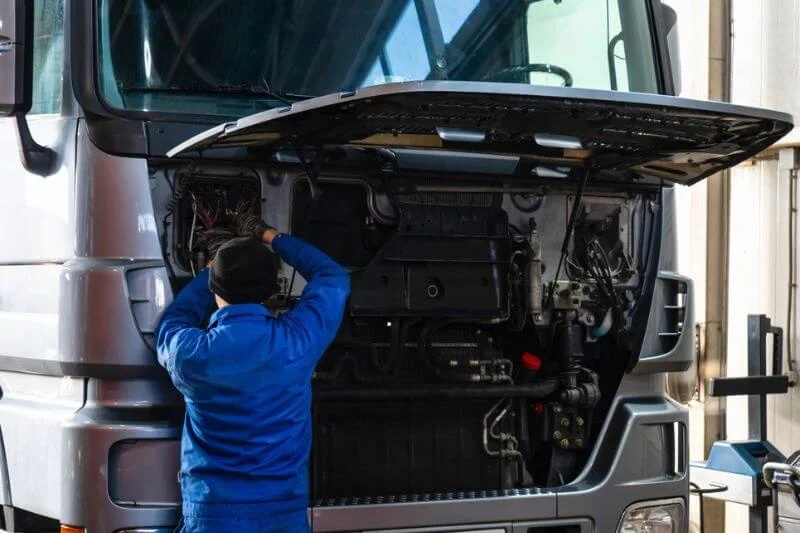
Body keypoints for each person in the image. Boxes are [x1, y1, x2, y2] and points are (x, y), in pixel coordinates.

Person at [156, 215, 350, 533]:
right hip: (283, 517)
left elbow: (173, 320)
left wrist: (211, 270)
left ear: (214, 286)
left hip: (212, 517)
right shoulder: (296, 341)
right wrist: (269, 235)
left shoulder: (191, 353)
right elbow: (332, 276)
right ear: (271, 289)